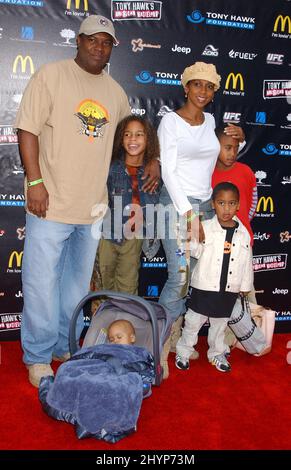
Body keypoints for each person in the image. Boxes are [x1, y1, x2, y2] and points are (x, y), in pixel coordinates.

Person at [15, 15, 159, 388]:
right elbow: (27, 129)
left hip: (93, 209)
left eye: (106, 42)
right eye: (92, 40)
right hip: (49, 203)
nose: (99, 46)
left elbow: (133, 139)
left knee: (76, 287)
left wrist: (154, 158)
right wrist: (35, 182)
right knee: (40, 283)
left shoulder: (115, 92)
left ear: (112, 48)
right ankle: (37, 355)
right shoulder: (51, 75)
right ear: (78, 41)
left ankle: (66, 345)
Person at [157, 61, 245, 377]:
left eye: (209, 87)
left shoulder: (210, 121)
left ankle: (178, 337)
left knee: (192, 276)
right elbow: (168, 171)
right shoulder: (169, 122)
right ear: (186, 87)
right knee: (178, 276)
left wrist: (242, 138)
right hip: (178, 207)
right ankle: (160, 347)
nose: (203, 91)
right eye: (197, 84)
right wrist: (190, 214)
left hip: (206, 207)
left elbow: (223, 152)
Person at [175, 182, 253, 372]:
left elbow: (247, 261)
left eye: (231, 203)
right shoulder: (205, 228)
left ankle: (217, 353)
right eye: (221, 203)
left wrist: (245, 285)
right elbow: (194, 251)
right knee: (193, 323)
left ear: (238, 205)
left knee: (219, 326)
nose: (226, 208)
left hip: (228, 289)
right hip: (204, 287)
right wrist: (185, 233)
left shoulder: (243, 234)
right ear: (213, 204)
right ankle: (184, 351)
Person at [98, 115, 160, 295]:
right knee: (103, 287)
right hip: (106, 235)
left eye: (139, 134)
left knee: (127, 288)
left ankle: (124, 322)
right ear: (120, 138)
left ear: (149, 140)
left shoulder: (154, 173)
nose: (133, 139)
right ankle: (104, 323)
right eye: (127, 134)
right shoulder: (110, 168)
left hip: (134, 238)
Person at [212, 126, 257, 245]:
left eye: (236, 149)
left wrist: (243, 221)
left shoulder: (246, 171)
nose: (232, 153)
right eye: (228, 148)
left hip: (243, 240)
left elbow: (253, 204)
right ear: (214, 146)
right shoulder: (207, 173)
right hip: (214, 241)